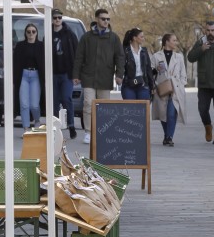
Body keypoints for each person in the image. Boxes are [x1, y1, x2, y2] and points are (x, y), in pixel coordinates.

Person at [72, 8, 124, 145]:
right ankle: (88, 132)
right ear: (96, 19)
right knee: (88, 103)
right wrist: (76, 75)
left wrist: (119, 74)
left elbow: (120, 57)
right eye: (103, 19)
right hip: (88, 77)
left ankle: (102, 131)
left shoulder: (114, 38)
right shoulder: (87, 37)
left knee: (104, 107)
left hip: (105, 78)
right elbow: (79, 57)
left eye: (108, 19)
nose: (106, 21)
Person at [152, 33, 187, 146]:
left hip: (176, 89)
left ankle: (169, 137)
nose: (176, 42)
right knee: (163, 113)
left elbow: (183, 74)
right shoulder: (156, 56)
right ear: (167, 42)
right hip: (161, 88)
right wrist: (155, 71)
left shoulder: (179, 57)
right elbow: (150, 72)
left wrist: (181, 85)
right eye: (174, 40)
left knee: (172, 113)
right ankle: (166, 135)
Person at [50, 9, 78, 136]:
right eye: (55, 17)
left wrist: (77, 74)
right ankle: (55, 127)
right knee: (54, 101)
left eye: (59, 17)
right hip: (53, 73)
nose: (57, 20)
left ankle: (71, 125)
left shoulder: (69, 34)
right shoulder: (49, 34)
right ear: (51, 19)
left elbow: (77, 54)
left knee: (66, 98)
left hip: (67, 73)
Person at [12, 22, 44, 130]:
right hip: (23, 76)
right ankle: (26, 128)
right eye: (28, 32)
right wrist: (14, 79)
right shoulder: (20, 46)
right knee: (24, 104)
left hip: (36, 76)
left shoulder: (41, 46)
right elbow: (15, 63)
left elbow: (44, 63)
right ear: (25, 33)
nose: (31, 34)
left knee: (34, 105)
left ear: (36, 33)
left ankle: (37, 120)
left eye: (33, 31)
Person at [120, 28, 153, 101]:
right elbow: (121, 66)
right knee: (130, 110)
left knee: (143, 110)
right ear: (134, 38)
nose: (143, 39)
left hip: (143, 85)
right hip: (129, 85)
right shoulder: (125, 51)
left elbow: (148, 69)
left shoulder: (144, 51)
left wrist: (152, 86)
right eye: (141, 37)